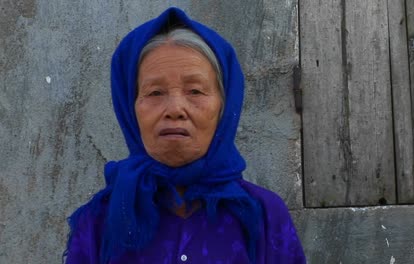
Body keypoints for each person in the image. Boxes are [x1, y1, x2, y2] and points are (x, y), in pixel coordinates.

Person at [64, 7, 305, 264]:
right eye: (155, 93)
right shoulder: (101, 220)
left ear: (224, 107)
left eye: (195, 91)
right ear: (129, 107)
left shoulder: (262, 215)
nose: (175, 109)